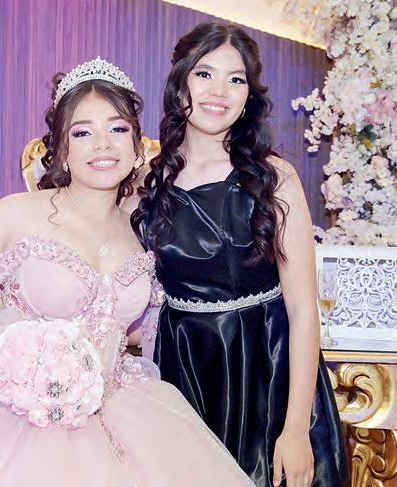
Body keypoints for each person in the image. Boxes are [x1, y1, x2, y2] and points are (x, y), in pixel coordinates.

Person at [0, 58, 254, 486]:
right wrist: (24, 358)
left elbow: (142, 329)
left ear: (137, 146)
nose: (103, 145)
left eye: (118, 129)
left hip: (126, 415)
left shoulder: (145, 227)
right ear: (61, 150)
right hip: (13, 419)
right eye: (82, 133)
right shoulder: (14, 214)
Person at [131, 23, 348, 487]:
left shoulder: (274, 179)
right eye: (204, 74)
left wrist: (295, 428)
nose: (219, 92)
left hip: (269, 373)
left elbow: (303, 311)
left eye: (236, 79)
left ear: (248, 95)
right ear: (180, 83)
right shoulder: (144, 183)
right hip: (185, 372)